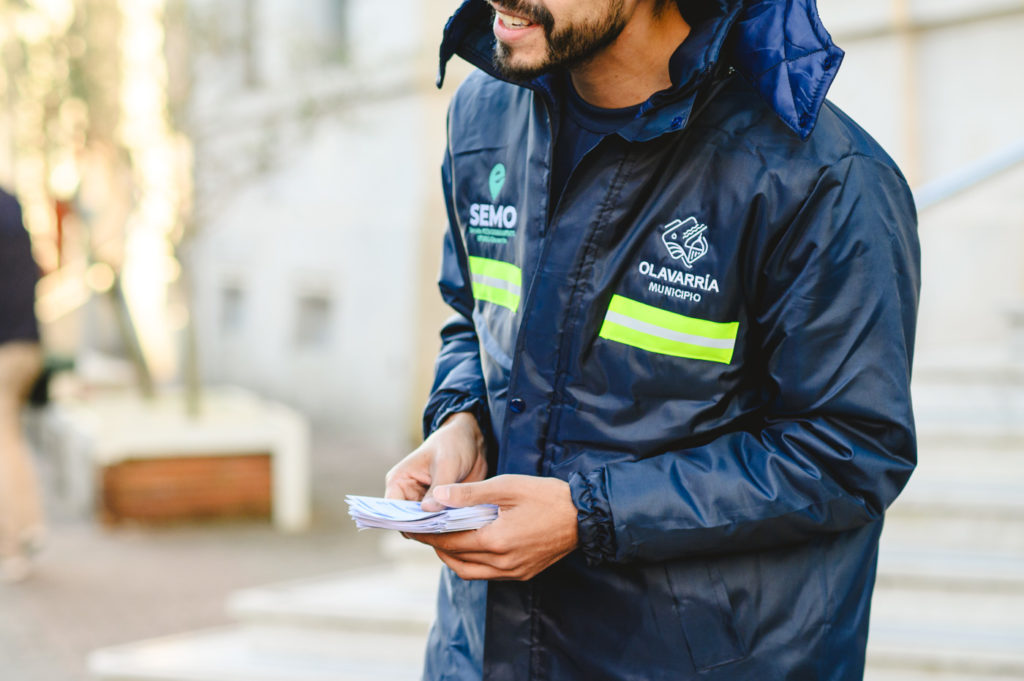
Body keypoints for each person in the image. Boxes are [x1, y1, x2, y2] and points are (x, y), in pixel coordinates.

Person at [385, 0, 920, 679]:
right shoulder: (484, 115)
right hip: (479, 656)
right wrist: (462, 419)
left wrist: (589, 514)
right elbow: (472, 313)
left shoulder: (819, 179)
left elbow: (850, 450)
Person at [0, 187, 46, 583]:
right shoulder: (12, 204)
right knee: (10, 436)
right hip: (27, 343)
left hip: (4, 348)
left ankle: (12, 544)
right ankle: (29, 523)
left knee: (3, 439)